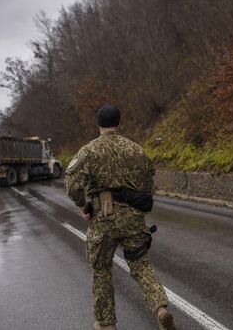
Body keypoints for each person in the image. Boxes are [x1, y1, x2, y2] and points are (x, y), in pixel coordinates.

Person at [65, 104, 176, 330]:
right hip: (133, 218)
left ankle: (106, 324)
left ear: (98, 125)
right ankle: (160, 308)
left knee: (102, 270)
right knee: (141, 265)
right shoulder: (136, 150)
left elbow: (72, 184)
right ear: (119, 123)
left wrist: (83, 205)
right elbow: (147, 184)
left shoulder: (89, 151)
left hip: (103, 219)